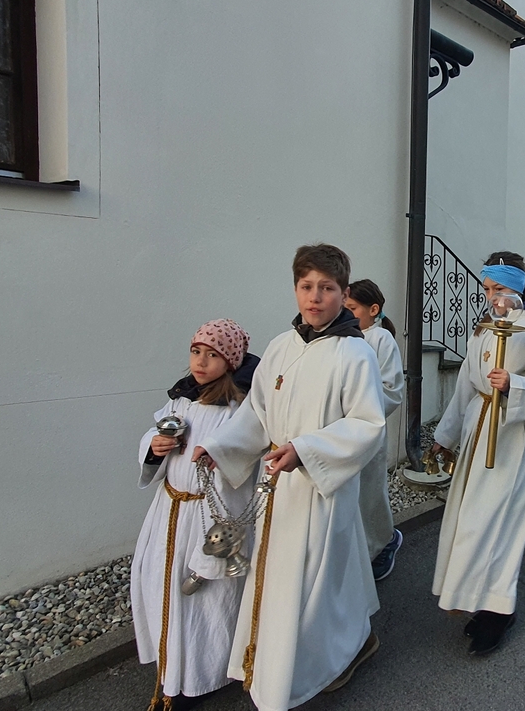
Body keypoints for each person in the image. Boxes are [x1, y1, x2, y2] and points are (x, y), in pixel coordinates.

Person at [193, 244, 387, 710]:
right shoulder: (281, 347)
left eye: (327, 288)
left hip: (322, 487)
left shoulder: (355, 354)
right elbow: (257, 413)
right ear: (296, 289)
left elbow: (368, 424)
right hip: (278, 486)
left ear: (344, 293)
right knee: (281, 579)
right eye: (306, 286)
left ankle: (321, 661)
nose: (315, 297)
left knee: (316, 582)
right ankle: (278, 660)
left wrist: (306, 450)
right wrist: (220, 447)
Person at [429, 252, 525, 656]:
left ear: (517, 289)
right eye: (487, 289)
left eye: (499, 289)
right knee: (472, 520)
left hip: (512, 438)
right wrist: (445, 436)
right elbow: (465, 387)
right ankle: (475, 597)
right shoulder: (484, 331)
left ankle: (499, 610)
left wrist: (515, 385)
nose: (492, 297)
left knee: (500, 522)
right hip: (478, 429)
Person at [131, 319, 260, 709]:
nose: (201, 362)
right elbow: (153, 435)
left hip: (206, 519)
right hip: (169, 511)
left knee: (202, 605)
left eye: (213, 355)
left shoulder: (237, 410)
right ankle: (170, 669)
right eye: (196, 352)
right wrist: (155, 446)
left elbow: (238, 472)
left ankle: (198, 680)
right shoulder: (181, 400)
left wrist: (215, 550)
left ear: (231, 361)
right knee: (161, 588)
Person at [345, 279, 405, 579]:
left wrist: (358, 407)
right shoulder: (343, 338)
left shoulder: (380, 339)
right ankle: (355, 549)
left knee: (369, 492)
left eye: (353, 309)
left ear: (373, 309)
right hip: (343, 430)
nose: (347, 314)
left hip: (367, 429)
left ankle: (382, 543)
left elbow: (392, 389)